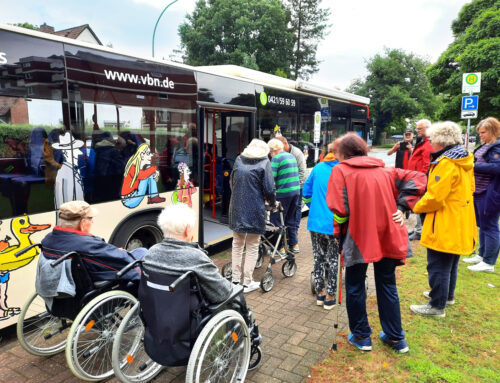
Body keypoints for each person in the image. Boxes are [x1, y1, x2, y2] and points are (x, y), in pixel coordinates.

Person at [327, 133, 426, 354]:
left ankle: (362, 337)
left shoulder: (340, 170)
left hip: (358, 236)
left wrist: (338, 233)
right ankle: (396, 338)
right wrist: (403, 207)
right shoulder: (386, 170)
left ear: (344, 153)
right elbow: (419, 179)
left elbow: (340, 209)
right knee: (387, 283)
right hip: (388, 235)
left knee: (354, 285)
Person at [410, 121, 476, 317]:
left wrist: (416, 206)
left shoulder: (445, 163)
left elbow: (435, 197)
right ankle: (446, 296)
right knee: (450, 260)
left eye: (431, 139)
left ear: (440, 140)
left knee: (438, 263)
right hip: (459, 217)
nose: (429, 143)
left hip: (445, 220)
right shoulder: (463, 158)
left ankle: (436, 305)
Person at [144, 203, 236, 304]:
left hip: (156, 310)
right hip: (188, 313)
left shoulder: (151, 253)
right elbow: (222, 293)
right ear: (188, 230)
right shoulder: (196, 257)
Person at [40, 200, 146, 281]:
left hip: (71, 283)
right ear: (82, 223)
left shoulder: (48, 239)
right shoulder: (89, 245)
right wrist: (119, 252)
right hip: (96, 281)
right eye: (90, 218)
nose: (92, 221)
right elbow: (123, 260)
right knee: (142, 253)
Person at [229, 139, 276, 293]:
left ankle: (235, 279)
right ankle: (247, 282)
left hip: (237, 206)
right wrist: (272, 203)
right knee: (252, 245)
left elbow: (232, 182)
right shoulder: (264, 163)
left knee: (237, 243)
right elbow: (269, 188)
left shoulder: (239, 159)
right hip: (255, 208)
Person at [302, 141, 340, 310]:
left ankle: (320, 293)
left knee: (318, 257)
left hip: (315, 222)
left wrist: (314, 207)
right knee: (333, 259)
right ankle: (331, 297)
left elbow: (306, 193)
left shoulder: (318, 168)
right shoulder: (343, 170)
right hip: (334, 223)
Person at [463, 117, 500, 272]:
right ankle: (481, 255)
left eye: (483, 133)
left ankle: (489, 262)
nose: (481, 136)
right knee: (483, 225)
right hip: (479, 191)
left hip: (490, 192)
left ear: (492, 131)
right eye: (480, 133)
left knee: (490, 225)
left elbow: (497, 168)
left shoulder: (497, 148)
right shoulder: (486, 145)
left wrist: (473, 165)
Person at [268, 138, 301, 255]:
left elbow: (271, 178)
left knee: (276, 220)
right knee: (291, 219)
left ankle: (279, 248)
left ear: (273, 149)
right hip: (296, 192)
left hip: (283, 194)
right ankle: (294, 244)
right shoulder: (290, 156)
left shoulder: (276, 158)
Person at [275, 135, 306, 253]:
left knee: (294, 213)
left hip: (297, 188)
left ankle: (291, 240)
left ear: (284, 144)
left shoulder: (297, 153)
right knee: (289, 215)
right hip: (290, 189)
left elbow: (303, 173)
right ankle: (291, 241)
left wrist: (292, 186)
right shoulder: (281, 156)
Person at [407, 119, 434, 241]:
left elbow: (427, 164)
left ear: (427, 129)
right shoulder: (423, 142)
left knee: (420, 204)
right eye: (417, 128)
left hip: (420, 179)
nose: (417, 131)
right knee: (418, 204)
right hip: (418, 177)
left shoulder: (428, 143)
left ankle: (419, 231)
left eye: (419, 128)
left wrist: (421, 180)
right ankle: (419, 229)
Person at [121, 143, 166, 208]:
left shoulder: (138, 166)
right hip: (129, 200)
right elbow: (142, 175)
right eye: (148, 153)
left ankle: (153, 197)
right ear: (142, 155)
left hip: (134, 196)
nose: (150, 155)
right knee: (148, 173)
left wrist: (154, 170)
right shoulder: (133, 167)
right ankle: (153, 197)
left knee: (149, 171)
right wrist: (154, 169)